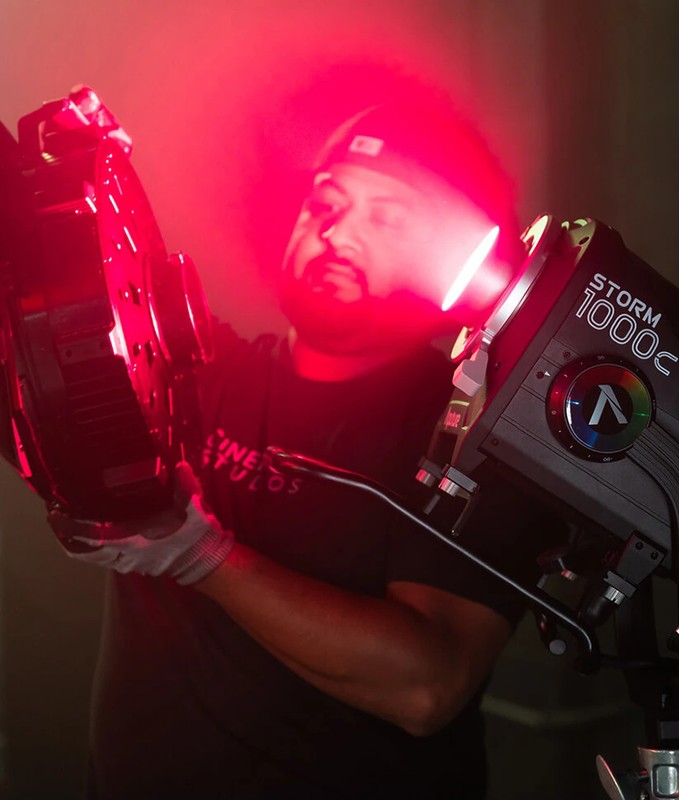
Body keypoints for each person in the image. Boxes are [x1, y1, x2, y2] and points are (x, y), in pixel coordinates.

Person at [49, 102, 565, 799]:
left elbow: (426, 685)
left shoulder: (477, 434)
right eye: (326, 203)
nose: (337, 232)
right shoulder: (185, 376)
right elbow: (34, 355)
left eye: (387, 218)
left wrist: (200, 555)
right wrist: (60, 200)